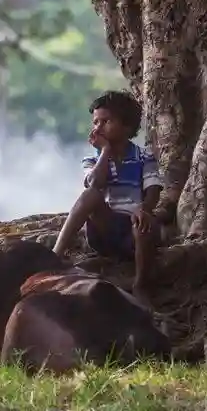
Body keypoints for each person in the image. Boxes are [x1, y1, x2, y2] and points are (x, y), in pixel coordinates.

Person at [52, 90, 164, 306]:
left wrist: (145, 209)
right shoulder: (91, 160)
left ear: (127, 127)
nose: (98, 127)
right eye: (95, 122)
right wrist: (104, 152)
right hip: (105, 229)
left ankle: (141, 283)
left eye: (106, 121)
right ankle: (56, 254)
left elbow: (153, 189)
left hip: (133, 231)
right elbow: (95, 184)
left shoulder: (144, 156)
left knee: (144, 224)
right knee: (90, 195)